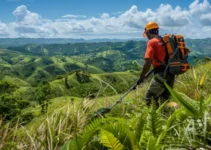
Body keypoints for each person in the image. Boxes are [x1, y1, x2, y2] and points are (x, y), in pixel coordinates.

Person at [137, 21, 175, 107]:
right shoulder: (164, 41)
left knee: (149, 97)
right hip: (171, 72)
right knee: (165, 98)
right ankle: (166, 116)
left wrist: (142, 76)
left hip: (161, 73)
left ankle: (152, 117)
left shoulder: (151, 42)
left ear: (147, 32)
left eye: (146, 34)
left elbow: (148, 61)